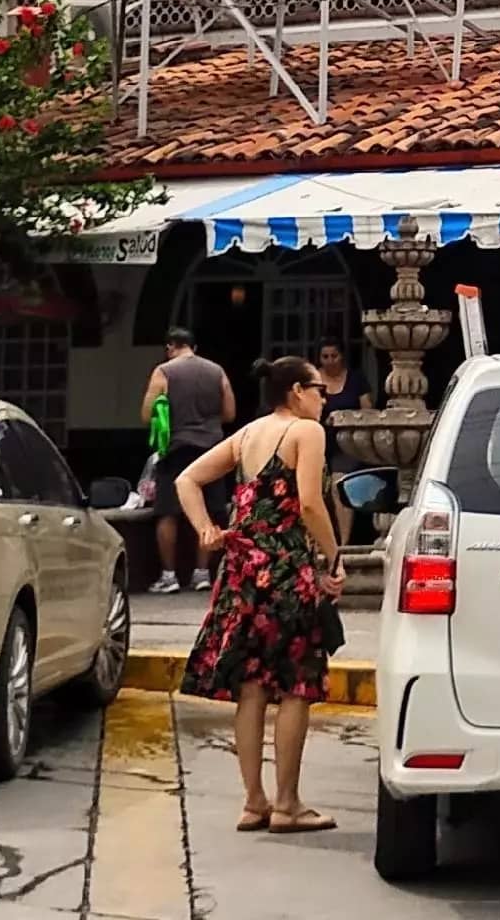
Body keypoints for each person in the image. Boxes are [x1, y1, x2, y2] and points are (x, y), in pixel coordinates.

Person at [175, 355, 345, 835]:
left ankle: (254, 802)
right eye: (319, 389)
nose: (324, 397)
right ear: (296, 390)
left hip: (242, 574)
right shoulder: (306, 433)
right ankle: (288, 805)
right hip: (288, 573)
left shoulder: (249, 435)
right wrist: (334, 557)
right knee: (295, 687)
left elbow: (186, 479)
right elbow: (310, 502)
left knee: (250, 688)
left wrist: (208, 529)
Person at [142, 329, 236, 596]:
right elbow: (229, 413)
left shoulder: (164, 371)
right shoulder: (217, 371)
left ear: (171, 346)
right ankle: (202, 573)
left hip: (177, 448)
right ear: (194, 346)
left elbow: (147, 414)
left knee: (168, 512)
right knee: (207, 510)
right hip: (212, 450)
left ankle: (169, 575)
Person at [315, 339, 367, 547]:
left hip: (346, 442)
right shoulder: (314, 379)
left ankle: (343, 542)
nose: (329, 361)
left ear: (342, 356)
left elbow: (368, 410)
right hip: (318, 440)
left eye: (333, 356)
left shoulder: (355, 379)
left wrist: (347, 416)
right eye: (325, 357)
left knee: (340, 484)